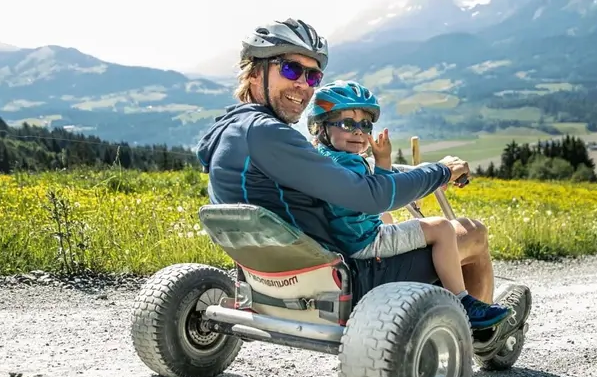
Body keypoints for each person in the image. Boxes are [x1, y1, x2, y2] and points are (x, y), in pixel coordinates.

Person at [194, 18, 510, 331]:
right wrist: (441, 171)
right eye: (290, 69)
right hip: (344, 279)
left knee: (395, 225)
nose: (303, 85)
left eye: (313, 75)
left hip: (271, 276)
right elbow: (370, 195)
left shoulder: (231, 132)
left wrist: (407, 172)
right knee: (472, 232)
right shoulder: (268, 135)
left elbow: (332, 173)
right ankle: (478, 333)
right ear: (255, 71)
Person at [306, 80, 510, 329]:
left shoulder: (322, 160)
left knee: (394, 221)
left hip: (344, 241)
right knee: (442, 227)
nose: (359, 132)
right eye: (348, 124)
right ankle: (464, 301)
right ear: (321, 128)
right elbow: (379, 196)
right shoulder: (350, 164)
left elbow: (369, 193)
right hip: (365, 245)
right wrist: (384, 160)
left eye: (365, 124)